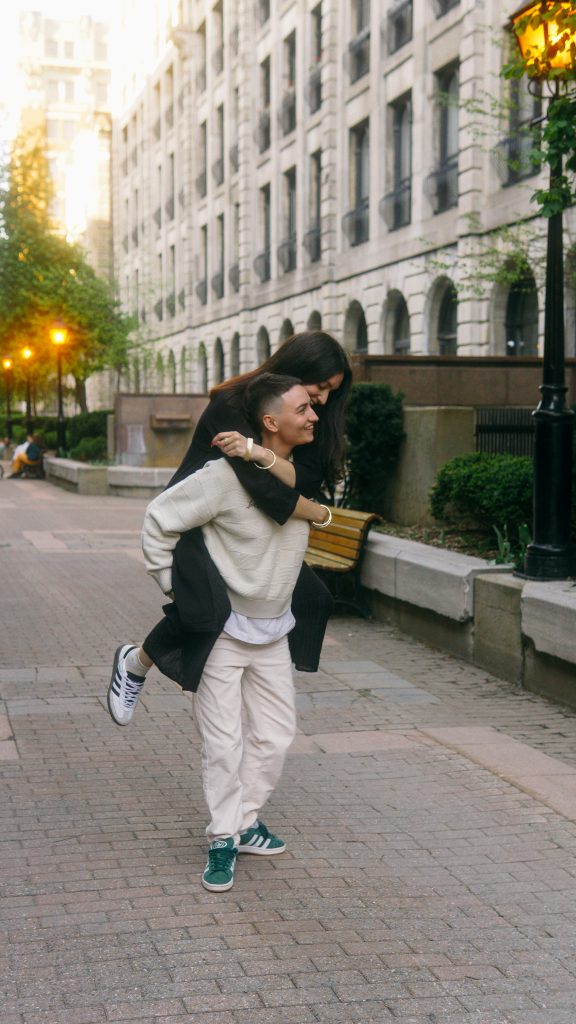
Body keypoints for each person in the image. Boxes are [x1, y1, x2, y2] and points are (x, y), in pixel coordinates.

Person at [110, 374, 332, 891]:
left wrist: (320, 512)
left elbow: (320, 515)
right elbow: (159, 519)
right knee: (224, 742)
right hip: (224, 634)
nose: (315, 415)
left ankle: (244, 820)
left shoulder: (298, 478)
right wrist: (178, 592)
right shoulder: (223, 477)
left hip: (274, 631)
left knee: (275, 736)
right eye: (304, 408)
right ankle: (222, 838)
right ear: (271, 421)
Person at [107, 330, 351, 723]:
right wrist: (316, 512)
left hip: (254, 525)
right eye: (320, 386)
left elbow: (306, 479)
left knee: (313, 597)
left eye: (330, 392)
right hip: (201, 518)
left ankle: (263, 674)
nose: (323, 400)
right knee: (205, 608)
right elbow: (263, 488)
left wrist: (271, 465)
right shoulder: (232, 405)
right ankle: (134, 665)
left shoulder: (308, 416)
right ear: (298, 368)